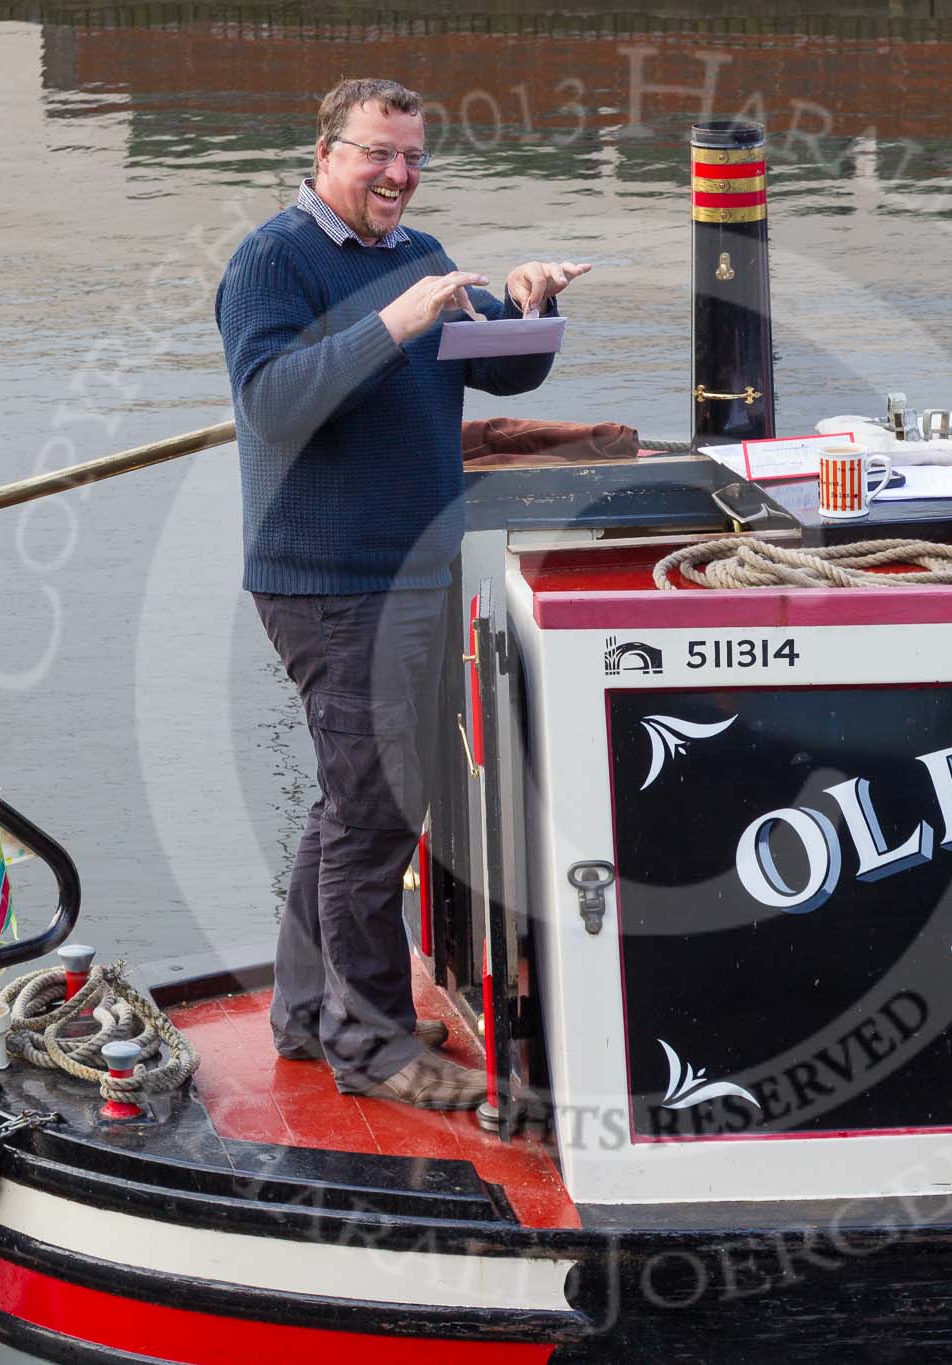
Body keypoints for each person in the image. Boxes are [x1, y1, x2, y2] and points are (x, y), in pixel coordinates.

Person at [216, 78, 589, 1111]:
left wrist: (530, 306)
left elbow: (492, 378)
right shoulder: (269, 261)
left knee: (356, 804)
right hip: (329, 582)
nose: (398, 175)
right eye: (378, 154)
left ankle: (304, 1013)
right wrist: (391, 322)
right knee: (378, 815)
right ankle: (370, 1045)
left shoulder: (417, 257)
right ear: (326, 151)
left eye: (413, 158)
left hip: (416, 568)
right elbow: (273, 405)